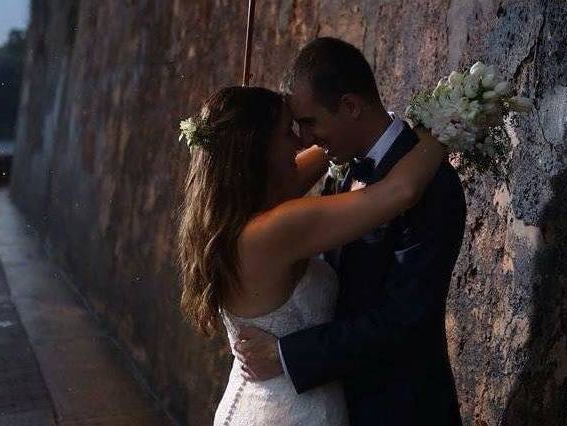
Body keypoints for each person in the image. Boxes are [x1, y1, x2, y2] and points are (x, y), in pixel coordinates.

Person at [177, 63, 453, 424]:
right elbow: (402, 190)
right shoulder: (276, 229)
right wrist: (451, 120)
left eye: (303, 128)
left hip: (263, 403)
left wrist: (354, 125)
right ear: (256, 152)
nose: (301, 141)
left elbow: (325, 150)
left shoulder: (228, 217)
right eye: (287, 133)